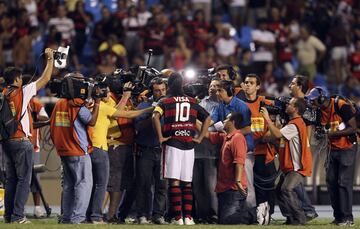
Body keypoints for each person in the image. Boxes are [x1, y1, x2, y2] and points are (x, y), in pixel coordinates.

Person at [86, 83, 153, 224]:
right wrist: (149, 109)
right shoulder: (106, 104)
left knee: (111, 184)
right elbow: (123, 114)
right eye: (107, 91)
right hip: (109, 145)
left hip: (109, 146)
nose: (109, 94)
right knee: (104, 184)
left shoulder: (98, 104)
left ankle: (103, 215)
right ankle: (97, 215)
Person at [2, 48, 54, 224]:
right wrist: (50, 59)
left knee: (11, 180)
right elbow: (45, 79)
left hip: (6, 142)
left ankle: (9, 215)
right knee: (25, 180)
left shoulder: (2, 95)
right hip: (22, 142)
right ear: (17, 79)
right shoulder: (22, 92)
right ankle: (18, 216)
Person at [152, 72, 211, 225]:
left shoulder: (165, 101)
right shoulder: (192, 101)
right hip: (189, 145)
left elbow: (155, 117)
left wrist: (160, 137)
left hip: (173, 143)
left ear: (169, 85)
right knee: (187, 183)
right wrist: (199, 137)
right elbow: (207, 118)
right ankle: (189, 218)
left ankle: (178, 217)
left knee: (174, 182)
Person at [50, 72, 100, 224]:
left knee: (69, 186)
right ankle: (77, 218)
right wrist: (97, 103)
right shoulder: (76, 104)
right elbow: (91, 121)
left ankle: (66, 218)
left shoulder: (59, 103)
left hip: (64, 151)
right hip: (78, 151)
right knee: (84, 184)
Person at [306, 87, 357, 226]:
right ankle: (339, 217)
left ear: (322, 98)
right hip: (331, 148)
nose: (312, 103)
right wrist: (319, 134)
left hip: (347, 147)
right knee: (331, 181)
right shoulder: (318, 111)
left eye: (314, 100)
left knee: (343, 182)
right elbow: (319, 129)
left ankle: (348, 218)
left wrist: (331, 134)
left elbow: (353, 127)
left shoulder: (341, 105)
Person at [261, 97, 313, 225]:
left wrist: (268, 119)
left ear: (295, 109)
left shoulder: (295, 124)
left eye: (289, 104)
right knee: (279, 191)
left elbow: (277, 135)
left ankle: (300, 219)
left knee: (286, 189)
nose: (286, 106)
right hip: (290, 166)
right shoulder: (293, 123)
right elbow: (277, 141)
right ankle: (290, 218)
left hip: (297, 166)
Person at [210, 80, 256, 210]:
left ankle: (252, 213)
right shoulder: (220, 106)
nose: (217, 93)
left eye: (220, 90)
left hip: (244, 149)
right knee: (233, 183)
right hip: (229, 148)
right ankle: (236, 212)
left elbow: (248, 128)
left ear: (229, 91)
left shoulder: (242, 106)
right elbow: (211, 121)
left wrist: (233, 134)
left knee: (246, 183)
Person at [207, 112, 256, 224]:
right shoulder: (226, 137)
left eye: (226, 120)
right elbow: (206, 134)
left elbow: (239, 162)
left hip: (233, 189)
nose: (224, 121)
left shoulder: (237, 138)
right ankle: (251, 214)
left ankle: (256, 214)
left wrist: (238, 182)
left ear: (232, 122)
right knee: (223, 221)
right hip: (225, 188)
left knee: (227, 220)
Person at [242, 74, 277, 225]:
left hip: (264, 151)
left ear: (258, 87)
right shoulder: (239, 104)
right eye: (246, 82)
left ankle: (268, 215)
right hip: (248, 152)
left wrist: (265, 137)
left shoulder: (266, 103)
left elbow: (276, 126)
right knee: (250, 186)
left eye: (251, 83)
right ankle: (254, 215)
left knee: (267, 186)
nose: (248, 85)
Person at [134, 77, 168, 224]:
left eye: (162, 90)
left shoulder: (170, 106)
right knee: (144, 184)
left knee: (161, 185)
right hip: (145, 150)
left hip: (163, 150)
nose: (160, 93)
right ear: (152, 91)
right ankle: (142, 215)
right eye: (156, 90)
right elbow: (138, 127)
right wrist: (153, 113)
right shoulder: (144, 105)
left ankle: (158, 215)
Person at [288, 75, 319, 221]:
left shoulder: (307, 104)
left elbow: (308, 127)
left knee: (294, 178)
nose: (289, 86)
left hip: (301, 145)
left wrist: (303, 146)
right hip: (291, 142)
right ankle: (301, 211)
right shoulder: (291, 101)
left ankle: (307, 209)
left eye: (293, 83)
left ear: (300, 86)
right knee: (290, 178)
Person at [192, 78, 220, 223]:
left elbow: (211, 128)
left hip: (211, 152)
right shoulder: (201, 102)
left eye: (216, 86)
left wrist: (195, 120)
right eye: (211, 85)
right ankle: (202, 216)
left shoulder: (220, 107)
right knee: (197, 187)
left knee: (210, 187)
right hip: (196, 151)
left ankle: (213, 216)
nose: (212, 88)